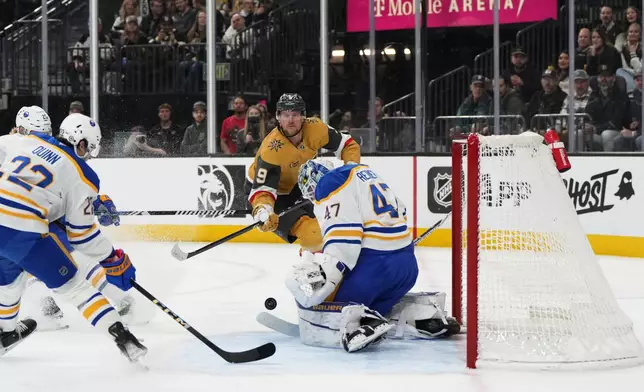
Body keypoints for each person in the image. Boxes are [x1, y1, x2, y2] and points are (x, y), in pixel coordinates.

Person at [0, 112, 146, 362]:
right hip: (22, 230)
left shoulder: (21, 141)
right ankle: (122, 335)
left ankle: (5, 332)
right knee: (75, 286)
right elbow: (82, 236)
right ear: (81, 143)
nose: (88, 155)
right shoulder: (85, 174)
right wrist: (112, 258)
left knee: (8, 281)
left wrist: (89, 202)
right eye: (89, 149)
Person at [285, 159, 460, 353]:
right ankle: (423, 317)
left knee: (332, 306)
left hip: (374, 271)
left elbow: (343, 240)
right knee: (379, 303)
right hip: (407, 269)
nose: (314, 197)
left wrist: (329, 275)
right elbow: (401, 210)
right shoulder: (363, 174)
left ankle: (356, 326)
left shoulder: (330, 183)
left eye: (311, 191)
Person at [246, 93, 360, 251]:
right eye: (285, 115)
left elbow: (347, 144)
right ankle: (313, 267)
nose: (290, 120)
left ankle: (319, 259)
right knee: (312, 232)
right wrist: (263, 209)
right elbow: (262, 191)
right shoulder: (271, 149)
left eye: (295, 114)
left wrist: (351, 170)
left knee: (332, 223)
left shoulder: (316, 128)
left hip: (298, 185)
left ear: (303, 116)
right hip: (269, 194)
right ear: (278, 117)